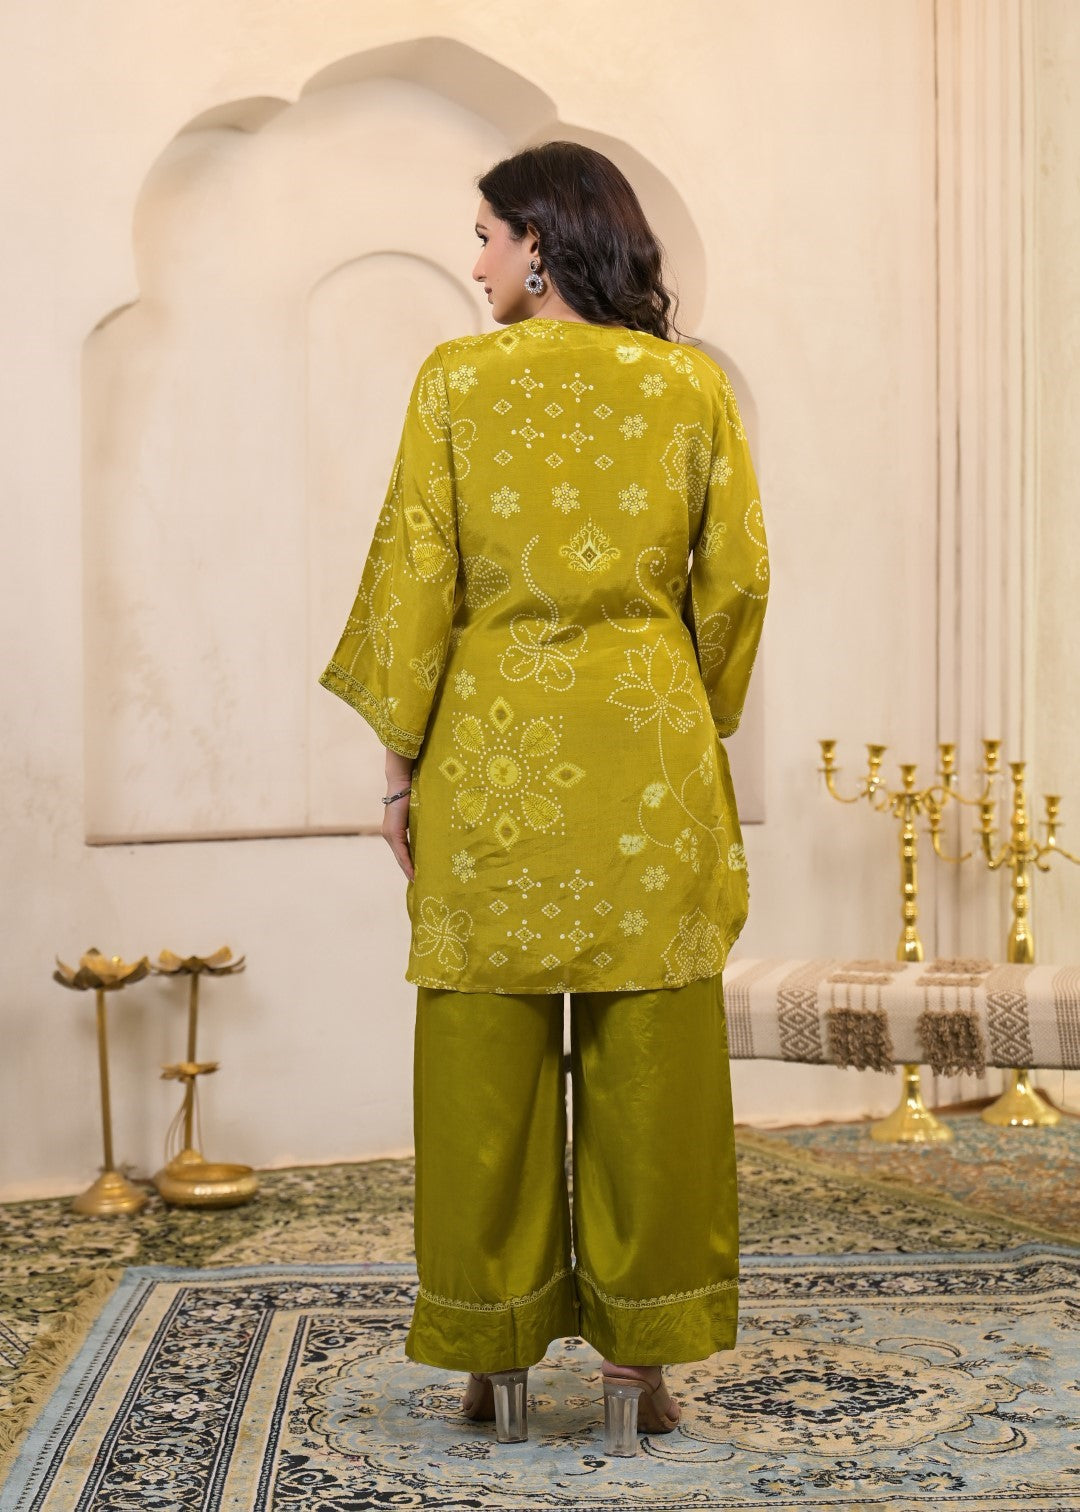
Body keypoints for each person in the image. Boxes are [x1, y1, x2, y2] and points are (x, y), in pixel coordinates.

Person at [319, 140, 768, 1457]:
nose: (475, 264)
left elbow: (417, 575)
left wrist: (398, 769)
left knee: (483, 1067)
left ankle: (495, 1361)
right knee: (655, 1063)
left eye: (484, 236)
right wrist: (685, 711)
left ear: (540, 240)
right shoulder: (690, 386)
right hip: (650, 755)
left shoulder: (456, 382)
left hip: (492, 754)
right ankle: (639, 1368)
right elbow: (738, 583)